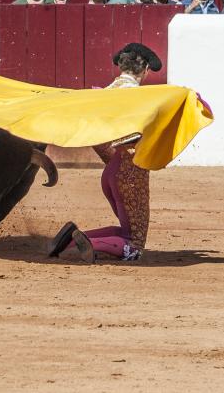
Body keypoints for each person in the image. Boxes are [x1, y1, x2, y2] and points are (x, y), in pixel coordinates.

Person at [47, 43, 163, 263]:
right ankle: (87, 245)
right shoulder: (136, 95)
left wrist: (112, 164)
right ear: (146, 68)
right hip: (130, 174)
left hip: (112, 172)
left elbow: (96, 136)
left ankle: (70, 239)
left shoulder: (107, 91)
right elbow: (138, 135)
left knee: (126, 230)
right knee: (135, 244)